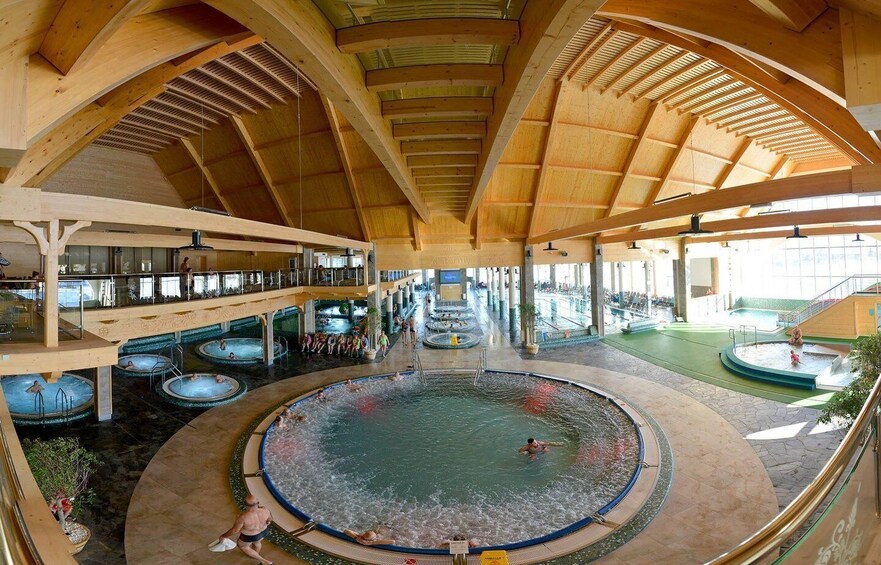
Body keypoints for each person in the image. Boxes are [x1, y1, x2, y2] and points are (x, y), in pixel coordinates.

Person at [220, 494, 274, 565]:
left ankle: (265, 561)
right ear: (258, 503)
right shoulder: (265, 510)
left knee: (243, 546)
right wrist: (266, 522)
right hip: (264, 532)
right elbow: (270, 520)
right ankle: (254, 554)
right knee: (257, 542)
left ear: (245, 505)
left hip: (250, 536)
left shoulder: (242, 517)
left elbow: (235, 530)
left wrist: (224, 536)